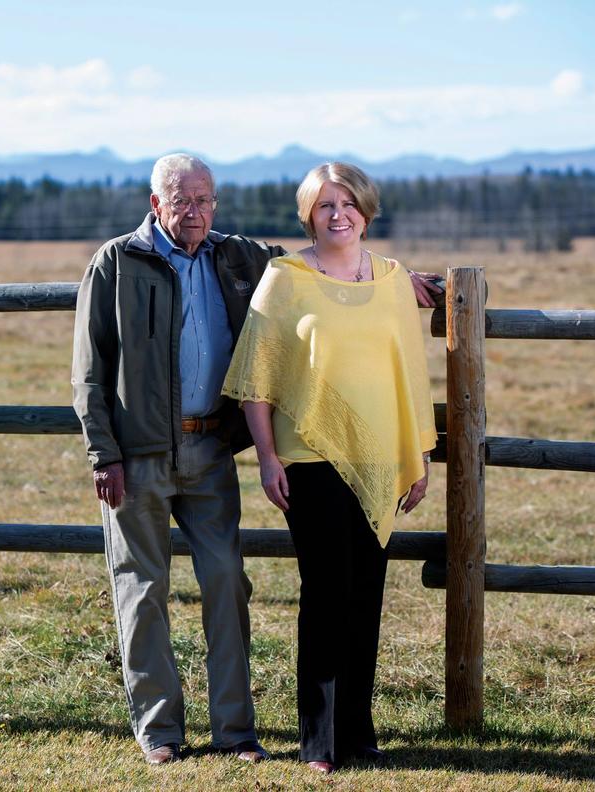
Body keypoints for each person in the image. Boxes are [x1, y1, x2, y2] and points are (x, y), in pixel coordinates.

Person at [72, 154, 439, 766]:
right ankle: (161, 733)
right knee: (142, 590)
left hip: (209, 447)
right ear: (156, 202)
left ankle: (235, 732)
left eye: (205, 200)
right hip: (137, 454)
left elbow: (314, 257)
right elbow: (90, 367)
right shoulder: (117, 262)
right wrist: (102, 453)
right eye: (183, 200)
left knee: (226, 584)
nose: (195, 211)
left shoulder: (233, 255)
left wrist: (404, 281)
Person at [221, 162, 437, 775]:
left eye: (347, 203)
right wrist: (266, 457)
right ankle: (319, 743)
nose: (337, 214)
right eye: (324, 206)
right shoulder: (285, 280)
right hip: (309, 458)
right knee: (325, 594)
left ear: (366, 210)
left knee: (366, 593)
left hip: (379, 457)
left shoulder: (394, 280)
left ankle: (359, 734)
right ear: (307, 215)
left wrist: (416, 454)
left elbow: (409, 372)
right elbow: (256, 381)